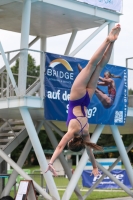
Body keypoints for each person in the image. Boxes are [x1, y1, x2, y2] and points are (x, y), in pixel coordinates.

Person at [45, 24, 121, 177]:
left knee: (99, 67)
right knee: (92, 65)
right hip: (77, 96)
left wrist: (94, 166)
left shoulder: (85, 132)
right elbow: (59, 147)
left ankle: (112, 41)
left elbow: (89, 150)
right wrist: (50, 162)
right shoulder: (72, 131)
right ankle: (107, 39)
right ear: (70, 142)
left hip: (87, 98)